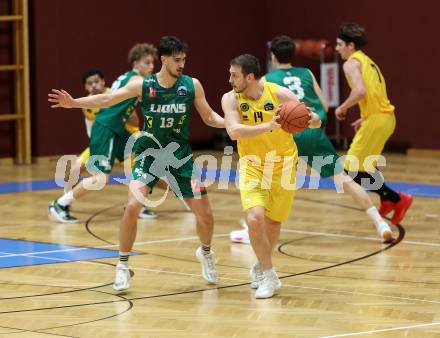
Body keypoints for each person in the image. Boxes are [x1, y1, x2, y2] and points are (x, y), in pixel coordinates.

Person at [48, 36, 225, 291]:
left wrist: (233, 124)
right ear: (163, 59)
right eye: (177, 60)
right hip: (149, 153)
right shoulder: (142, 85)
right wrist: (75, 103)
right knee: (132, 206)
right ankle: (122, 266)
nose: (182, 64)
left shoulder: (192, 85)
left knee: (205, 215)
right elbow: (107, 100)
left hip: (180, 156)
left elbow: (209, 117)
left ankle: (206, 253)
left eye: (184, 59)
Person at [230, 35, 393, 245]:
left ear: (273, 56)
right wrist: (303, 116)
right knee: (343, 179)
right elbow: (324, 106)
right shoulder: (306, 72)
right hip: (311, 129)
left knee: (261, 180)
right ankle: (380, 224)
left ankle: (251, 228)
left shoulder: (266, 80)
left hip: (286, 134)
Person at [222, 54, 321, 298]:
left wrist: (309, 118)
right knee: (255, 218)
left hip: (284, 164)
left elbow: (315, 120)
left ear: (250, 77)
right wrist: (270, 125)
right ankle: (269, 274)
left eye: (234, 75)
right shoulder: (230, 99)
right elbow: (234, 131)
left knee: (273, 223)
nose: (230, 79)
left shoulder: (279, 94)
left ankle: (260, 263)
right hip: (252, 165)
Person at [49, 43, 159, 224]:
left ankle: (137, 202)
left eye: (152, 63)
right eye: (147, 62)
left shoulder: (127, 78)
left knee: (140, 160)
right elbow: (109, 99)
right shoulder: (137, 81)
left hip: (118, 129)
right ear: (136, 63)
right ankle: (60, 204)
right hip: (107, 128)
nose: (151, 66)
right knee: (100, 178)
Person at [335, 22, 413, 225]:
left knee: (348, 170)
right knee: (363, 167)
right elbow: (374, 93)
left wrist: (342, 107)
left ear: (350, 45)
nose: (337, 48)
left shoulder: (351, 63)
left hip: (377, 120)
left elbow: (360, 91)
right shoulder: (368, 61)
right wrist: (366, 116)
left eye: (339, 44)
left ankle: (397, 199)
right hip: (384, 118)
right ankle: (387, 198)